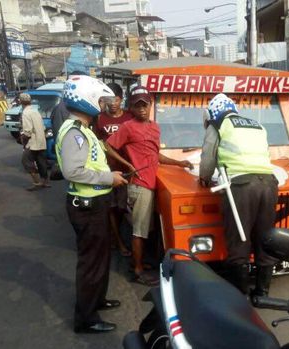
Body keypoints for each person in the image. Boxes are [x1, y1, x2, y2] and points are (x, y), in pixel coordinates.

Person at [56, 75, 128, 334]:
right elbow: (73, 171)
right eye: (98, 99)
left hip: (95, 202)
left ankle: (97, 300)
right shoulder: (74, 132)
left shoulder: (84, 128)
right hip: (86, 206)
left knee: (101, 257)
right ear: (85, 100)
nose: (101, 103)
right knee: (90, 263)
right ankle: (85, 319)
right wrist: (110, 177)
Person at [107, 85, 193, 286]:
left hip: (152, 182)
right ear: (131, 107)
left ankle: (138, 262)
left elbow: (156, 155)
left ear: (150, 105)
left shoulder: (155, 127)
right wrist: (128, 163)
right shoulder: (128, 126)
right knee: (140, 230)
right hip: (140, 184)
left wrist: (180, 163)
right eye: (137, 106)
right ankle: (137, 270)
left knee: (148, 228)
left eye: (145, 105)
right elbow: (108, 146)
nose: (142, 109)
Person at [199, 93, 279, 299]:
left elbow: (208, 155)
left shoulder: (217, 125)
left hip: (241, 186)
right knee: (264, 237)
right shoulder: (256, 124)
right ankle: (263, 293)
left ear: (213, 112)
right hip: (268, 184)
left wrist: (204, 178)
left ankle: (241, 295)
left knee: (238, 239)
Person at [94, 83, 133, 257]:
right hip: (107, 170)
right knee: (111, 208)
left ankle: (116, 237)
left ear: (121, 99)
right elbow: (97, 144)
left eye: (116, 99)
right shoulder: (99, 119)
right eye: (110, 99)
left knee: (122, 208)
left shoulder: (130, 117)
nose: (113, 103)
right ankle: (118, 242)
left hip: (128, 169)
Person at [19, 93, 50, 190]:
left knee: (26, 161)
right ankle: (44, 182)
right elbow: (43, 126)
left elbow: (27, 131)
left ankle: (37, 182)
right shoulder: (35, 111)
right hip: (41, 140)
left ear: (21, 102)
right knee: (41, 162)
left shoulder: (25, 113)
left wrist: (23, 140)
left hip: (33, 143)